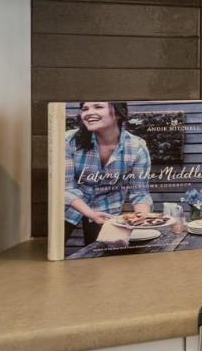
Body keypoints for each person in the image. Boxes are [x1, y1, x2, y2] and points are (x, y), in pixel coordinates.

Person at [64, 101, 153, 246]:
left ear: (118, 113)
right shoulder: (69, 140)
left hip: (106, 210)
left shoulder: (137, 148)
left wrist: (142, 217)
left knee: (100, 259)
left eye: (98, 107)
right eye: (85, 109)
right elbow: (66, 188)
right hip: (66, 206)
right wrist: (91, 214)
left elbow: (140, 192)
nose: (89, 113)